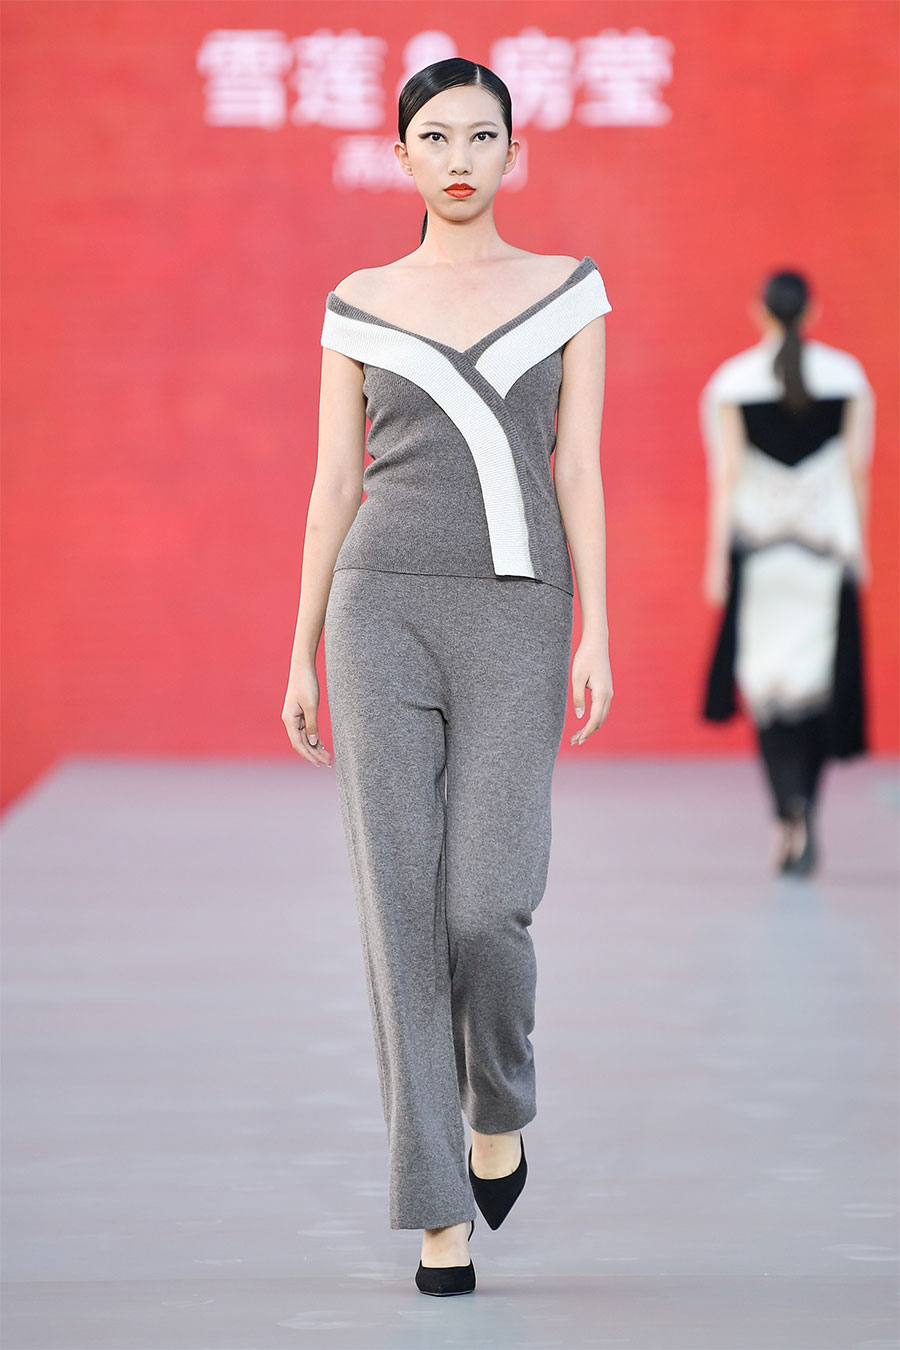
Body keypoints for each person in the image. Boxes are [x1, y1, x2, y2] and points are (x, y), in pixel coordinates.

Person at [281, 57, 613, 1296]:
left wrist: (597, 629)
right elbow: (333, 485)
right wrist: (300, 647)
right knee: (400, 916)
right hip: (378, 612)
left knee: (486, 905)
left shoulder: (570, 290)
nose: (459, 158)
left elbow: (577, 470)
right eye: (435, 137)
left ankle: (498, 1105)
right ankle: (437, 1211)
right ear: (402, 155)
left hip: (521, 613)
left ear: (515, 153)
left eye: (482, 137)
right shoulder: (358, 302)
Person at [699, 269, 875, 877]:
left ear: (760, 313)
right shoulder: (848, 378)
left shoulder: (732, 383)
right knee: (817, 692)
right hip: (825, 560)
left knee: (769, 695)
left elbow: (726, 477)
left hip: (762, 562)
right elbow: (856, 472)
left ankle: (786, 811)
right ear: (813, 311)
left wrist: (715, 561)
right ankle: (805, 811)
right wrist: (860, 550)